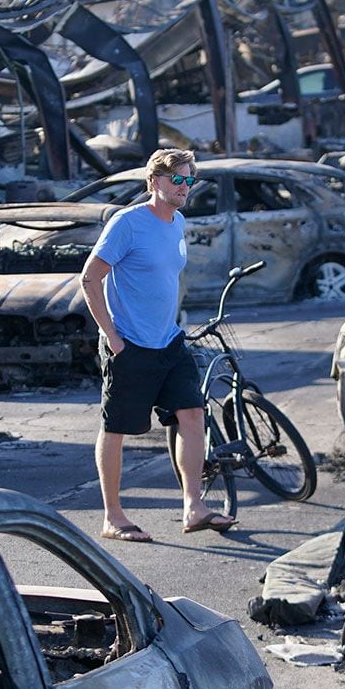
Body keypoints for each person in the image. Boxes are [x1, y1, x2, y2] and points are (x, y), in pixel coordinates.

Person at [80, 148, 234, 542]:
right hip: (128, 344)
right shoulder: (127, 224)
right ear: (154, 182)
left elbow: (166, 278)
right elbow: (89, 279)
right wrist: (113, 338)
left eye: (188, 180)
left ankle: (193, 506)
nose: (183, 187)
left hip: (168, 340)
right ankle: (113, 517)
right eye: (176, 180)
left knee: (193, 413)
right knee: (115, 428)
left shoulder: (177, 222)